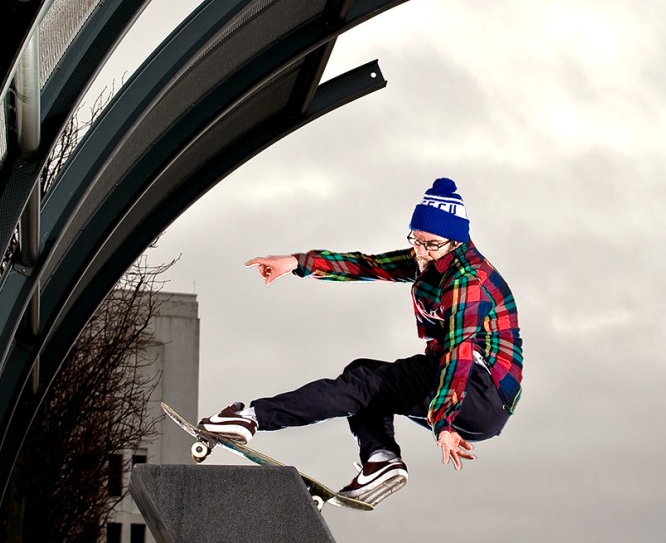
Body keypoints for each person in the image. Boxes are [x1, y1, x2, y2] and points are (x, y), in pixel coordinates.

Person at [200, 179, 522, 505]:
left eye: (431, 245)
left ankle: (252, 417)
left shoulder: (466, 279)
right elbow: (366, 266)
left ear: (455, 242)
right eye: (416, 241)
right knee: (365, 377)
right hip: (477, 400)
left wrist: (445, 421)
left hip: (478, 388)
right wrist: (296, 262)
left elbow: (459, 351)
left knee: (364, 383)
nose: (422, 252)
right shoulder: (429, 259)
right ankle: (381, 458)